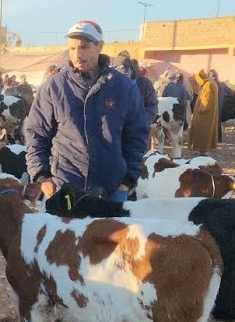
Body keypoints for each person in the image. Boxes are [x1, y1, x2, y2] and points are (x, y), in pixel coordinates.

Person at [25, 20, 146, 202]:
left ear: (99, 46)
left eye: (83, 47)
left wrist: (127, 183)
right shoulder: (54, 87)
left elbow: (137, 136)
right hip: (65, 188)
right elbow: (36, 135)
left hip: (111, 189)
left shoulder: (123, 87)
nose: (77, 54)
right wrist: (42, 177)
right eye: (72, 48)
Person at [189, 69, 220, 152]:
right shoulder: (210, 84)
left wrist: (199, 110)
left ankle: (202, 150)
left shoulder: (208, 85)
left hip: (204, 117)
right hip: (208, 115)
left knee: (202, 134)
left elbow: (206, 103)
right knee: (206, 134)